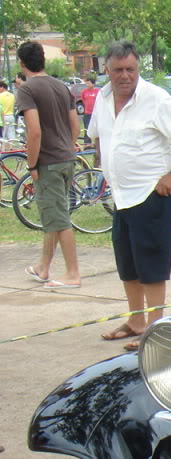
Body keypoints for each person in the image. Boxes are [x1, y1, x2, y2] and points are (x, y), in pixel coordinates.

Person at [88, 41, 171, 350]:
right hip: (122, 196)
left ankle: (155, 328)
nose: (125, 76)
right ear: (107, 71)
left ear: (138, 69)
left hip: (151, 194)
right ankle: (136, 320)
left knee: (151, 264)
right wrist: (105, 164)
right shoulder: (103, 97)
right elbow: (97, 134)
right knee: (127, 262)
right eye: (118, 70)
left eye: (131, 69)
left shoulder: (155, 99)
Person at [15, 41, 82, 290]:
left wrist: (32, 165)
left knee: (59, 219)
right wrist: (66, 145)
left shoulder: (27, 89)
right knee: (54, 215)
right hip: (66, 159)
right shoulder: (61, 86)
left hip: (48, 162)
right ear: (43, 59)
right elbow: (75, 126)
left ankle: (72, 273)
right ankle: (44, 267)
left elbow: (34, 132)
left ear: (22, 64)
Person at [79, 75, 100, 144]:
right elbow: (83, 100)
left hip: (96, 113)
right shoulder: (84, 92)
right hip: (87, 113)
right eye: (86, 83)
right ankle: (87, 144)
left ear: (93, 84)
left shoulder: (98, 91)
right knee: (87, 129)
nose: (87, 85)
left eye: (89, 83)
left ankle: (98, 144)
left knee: (98, 129)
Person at [0, 80, 15, 144]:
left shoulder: (0, 96)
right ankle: (12, 150)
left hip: (3, 117)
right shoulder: (12, 95)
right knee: (11, 135)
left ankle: (3, 151)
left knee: (2, 136)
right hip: (11, 116)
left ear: (2, 87)